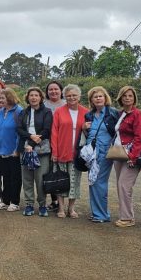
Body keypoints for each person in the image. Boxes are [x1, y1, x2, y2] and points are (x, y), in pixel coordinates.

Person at [50, 84, 89, 218]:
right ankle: (61, 208)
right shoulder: (59, 111)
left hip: (77, 152)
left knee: (74, 181)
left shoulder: (86, 112)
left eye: (74, 95)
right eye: (69, 96)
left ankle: (71, 208)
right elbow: (54, 132)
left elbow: (90, 131)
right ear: (65, 97)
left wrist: (85, 128)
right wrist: (54, 152)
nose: (71, 98)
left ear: (79, 96)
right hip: (61, 150)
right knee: (61, 180)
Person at [111, 86, 141, 227]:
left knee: (124, 185)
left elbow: (139, 137)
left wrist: (133, 156)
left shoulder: (137, 114)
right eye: (124, 95)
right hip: (119, 153)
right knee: (121, 186)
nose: (127, 98)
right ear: (120, 98)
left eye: (130, 95)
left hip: (131, 154)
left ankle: (127, 218)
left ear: (134, 98)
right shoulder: (120, 114)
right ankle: (125, 215)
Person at [84, 86, 119, 223]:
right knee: (92, 181)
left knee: (100, 181)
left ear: (105, 98)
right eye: (95, 96)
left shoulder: (113, 113)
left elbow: (118, 132)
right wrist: (83, 128)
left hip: (105, 152)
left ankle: (102, 214)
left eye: (100, 96)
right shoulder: (89, 115)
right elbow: (89, 133)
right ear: (91, 100)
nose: (98, 98)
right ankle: (97, 212)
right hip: (90, 153)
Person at [17, 87, 53, 217]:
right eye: (31, 95)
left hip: (41, 149)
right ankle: (29, 204)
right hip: (25, 147)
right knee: (27, 178)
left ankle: (43, 205)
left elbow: (47, 130)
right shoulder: (23, 112)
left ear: (41, 97)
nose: (33, 97)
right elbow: (19, 129)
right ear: (28, 98)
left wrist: (32, 143)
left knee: (40, 179)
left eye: (36, 95)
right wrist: (30, 137)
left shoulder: (47, 112)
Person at [0, 90, 23, 212]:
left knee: (15, 178)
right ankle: (5, 201)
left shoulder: (19, 111)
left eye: (2, 98)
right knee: (6, 177)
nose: (0, 101)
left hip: (14, 151)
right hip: (1, 151)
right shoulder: (0, 112)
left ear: (9, 98)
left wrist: (17, 149)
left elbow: (20, 132)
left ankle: (15, 202)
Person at [44, 81, 66, 211]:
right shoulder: (44, 104)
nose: (53, 91)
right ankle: (54, 201)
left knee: (60, 170)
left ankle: (61, 200)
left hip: (61, 141)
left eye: (56, 89)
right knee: (50, 171)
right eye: (50, 89)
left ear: (61, 90)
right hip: (46, 142)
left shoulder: (66, 104)